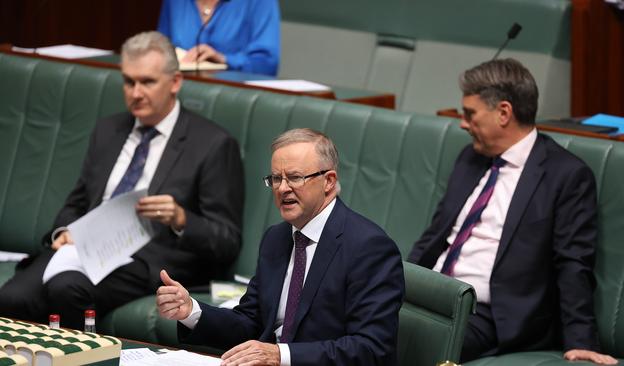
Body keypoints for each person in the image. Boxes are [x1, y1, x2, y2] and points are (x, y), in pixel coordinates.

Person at [0, 31, 244, 330]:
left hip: (149, 259)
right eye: (129, 82)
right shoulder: (109, 130)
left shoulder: (213, 144)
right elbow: (76, 203)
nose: (136, 92)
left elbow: (227, 240)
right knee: (10, 297)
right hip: (84, 249)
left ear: (175, 82)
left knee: (67, 287)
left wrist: (181, 218)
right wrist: (65, 232)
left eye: (147, 82)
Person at [408, 59, 618, 365]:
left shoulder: (565, 175)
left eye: (470, 114)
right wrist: (396, 284)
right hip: (431, 297)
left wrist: (582, 341)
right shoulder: (470, 158)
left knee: (388, 338)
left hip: (485, 315)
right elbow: (437, 234)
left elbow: (573, 263)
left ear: (504, 112)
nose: (463, 124)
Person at [157, 128, 405, 365]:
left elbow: (371, 349)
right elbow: (251, 323)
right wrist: (191, 310)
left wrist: (280, 356)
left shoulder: (369, 247)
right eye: (276, 178)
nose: (282, 188)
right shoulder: (276, 238)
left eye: (295, 177)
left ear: (328, 181)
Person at [157, 0, 280, 76]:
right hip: (181, 93)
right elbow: (160, 50)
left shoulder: (260, 2)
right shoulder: (174, 2)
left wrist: (224, 59)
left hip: (232, 97)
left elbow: (267, 64)